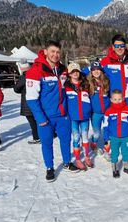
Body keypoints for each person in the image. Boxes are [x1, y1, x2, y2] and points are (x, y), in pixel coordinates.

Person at [26, 40, 78, 182]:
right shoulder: (35, 71)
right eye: (53, 51)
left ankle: (67, 162)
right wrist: (40, 118)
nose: (55, 54)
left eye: (58, 52)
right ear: (45, 52)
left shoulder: (62, 70)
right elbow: (31, 99)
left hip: (62, 115)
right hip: (46, 118)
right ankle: (50, 167)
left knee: (65, 140)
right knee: (47, 143)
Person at [103, 89, 128, 178]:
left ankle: (127, 167)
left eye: (119, 99)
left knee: (125, 152)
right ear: (111, 99)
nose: (117, 101)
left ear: (123, 98)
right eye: (115, 99)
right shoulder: (109, 112)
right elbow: (105, 126)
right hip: (114, 138)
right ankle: (114, 168)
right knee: (114, 153)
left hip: (125, 137)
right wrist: (106, 138)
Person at [64, 62, 93, 170]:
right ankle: (77, 159)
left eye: (77, 71)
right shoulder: (66, 86)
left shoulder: (86, 84)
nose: (75, 73)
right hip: (73, 118)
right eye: (72, 72)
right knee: (76, 138)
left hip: (85, 116)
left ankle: (86, 157)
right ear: (69, 74)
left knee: (85, 137)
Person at [87, 61, 111, 156]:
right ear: (91, 72)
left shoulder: (106, 81)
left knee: (107, 133)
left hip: (106, 112)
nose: (96, 71)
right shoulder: (89, 83)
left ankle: (107, 151)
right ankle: (93, 144)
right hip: (95, 113)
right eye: (94, 70)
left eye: (98, 69)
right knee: (96, 133)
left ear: (101, 71)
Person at [14, 59, 40, 144]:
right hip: (37, 100)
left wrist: (22, 90)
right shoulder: (36, 75)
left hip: (27, 103)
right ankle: (46, 135)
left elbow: (16, 89)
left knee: (33, 122)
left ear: (21, 69)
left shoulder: (23, 77)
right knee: (39, 119)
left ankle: (37, 138)